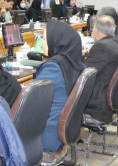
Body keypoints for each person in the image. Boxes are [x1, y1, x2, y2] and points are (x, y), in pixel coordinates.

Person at [36, 20, 85, 151]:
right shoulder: (74, 62)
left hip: (45, 136)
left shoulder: (53, 68)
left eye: (44, 38)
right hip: (62, 131)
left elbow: (30, 101)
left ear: (56, 41)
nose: (41, 42)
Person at [84, 15, 118, 124]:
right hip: (107, 96)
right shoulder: (115, 43)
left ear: (96, 31)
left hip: (97, 102)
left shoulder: (101, 46)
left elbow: (85, 75)